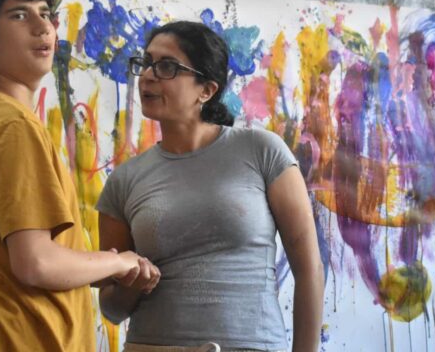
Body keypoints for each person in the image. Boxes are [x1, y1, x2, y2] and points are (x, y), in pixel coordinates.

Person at [0, 0, 159, 351]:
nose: (44, 28)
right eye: (19, 16)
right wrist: (120, 261)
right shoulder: (11, 126)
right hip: (12, 338)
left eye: (45, 13)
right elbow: (36, 262)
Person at [97, 21, 324, 352]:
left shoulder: (261, 150)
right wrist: (133, 284)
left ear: (206, 90)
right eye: (146, 63)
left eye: (166, 66)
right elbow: (111, 308)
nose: (147, 75)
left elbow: (309, 270)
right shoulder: (124, 180)